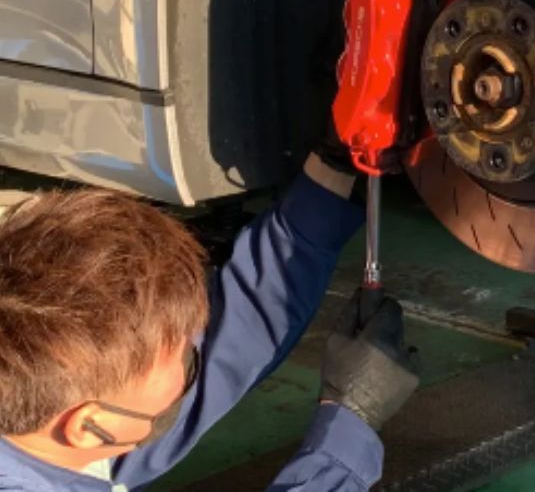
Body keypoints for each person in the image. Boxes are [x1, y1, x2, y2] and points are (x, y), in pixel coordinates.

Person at [0, 145, 419, 491]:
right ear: (89, 426)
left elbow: (229, 344)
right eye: (187, 366)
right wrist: (349, 428)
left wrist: (331, 175)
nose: (195, 362)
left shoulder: (43, 422)